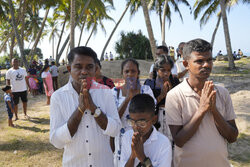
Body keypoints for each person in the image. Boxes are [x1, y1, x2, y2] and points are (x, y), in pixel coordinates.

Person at [165, 38, 238, 167]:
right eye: (199, 61)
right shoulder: (174, 95)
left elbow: (232, 137)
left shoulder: (222, 93)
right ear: (186, 64)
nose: (206, 65)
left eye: (209, 60)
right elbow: (179, 140)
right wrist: (202, 109)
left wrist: (214, 110)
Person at [50, 46, 121, 167]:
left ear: (95, 69)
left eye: (89, 67)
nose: (84, 71)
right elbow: (56, 141)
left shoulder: (105, 92)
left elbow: (115, 130)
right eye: (78, 66)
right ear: (69, 68)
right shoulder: (58, 97)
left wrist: (94, 109)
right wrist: (80, 109)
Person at [112, 58, 156, 167]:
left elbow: (151, 115)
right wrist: (128, 98)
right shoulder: (115, 92)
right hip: (122, 142)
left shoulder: (146, 90)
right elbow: (113, 119)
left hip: (143, 140)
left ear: (138, 73)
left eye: (133, 71)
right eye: (126, 71)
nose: (130, 74)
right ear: (122, 74)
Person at [120, 94, 172, 167]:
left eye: (141, 123)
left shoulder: (163, 143)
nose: (136, 127)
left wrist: (142, 157)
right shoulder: (127, 137)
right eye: (132, 122)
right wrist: (132, 156)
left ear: (154, 120)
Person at [144, 55, 180, 139]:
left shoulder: (175, 82)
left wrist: (170, 92)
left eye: (168, 70)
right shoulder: (149, 84)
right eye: (163, 70)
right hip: (155, 121)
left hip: (173, 119)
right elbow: (146, 106)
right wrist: (161, 96)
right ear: (157, 70)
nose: (166, 73)